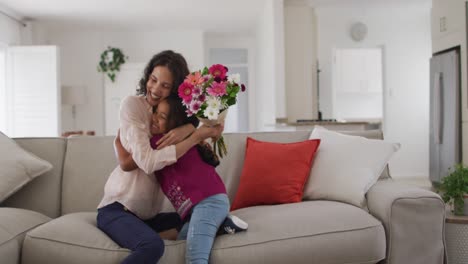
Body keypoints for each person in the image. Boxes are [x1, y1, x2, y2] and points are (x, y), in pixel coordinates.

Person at [97, 50, 223, 264]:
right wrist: (193, 137)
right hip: (118, 208)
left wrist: (188, 129)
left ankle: (225, 223)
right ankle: (155, 238)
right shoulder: (133, 105)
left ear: (175, 90)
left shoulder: (172, 116)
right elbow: (146, 162)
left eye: (165, 86)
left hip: (147, 216)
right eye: (153, 80)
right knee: (152, 246)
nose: (155, 89)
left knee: (196, 217)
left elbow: (213, 126)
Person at [121, 95, 237, 263]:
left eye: (161, 116)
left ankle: (218, 224)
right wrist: (191, 130)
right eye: (154, 112)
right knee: (183, 239)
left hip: (208, 202)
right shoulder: (181, 139)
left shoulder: (159, 142)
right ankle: (222, 227)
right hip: (199, 208)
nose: (153, 118)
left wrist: (118, 140)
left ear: (174, 125)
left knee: (195, 257)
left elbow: (131, 159)